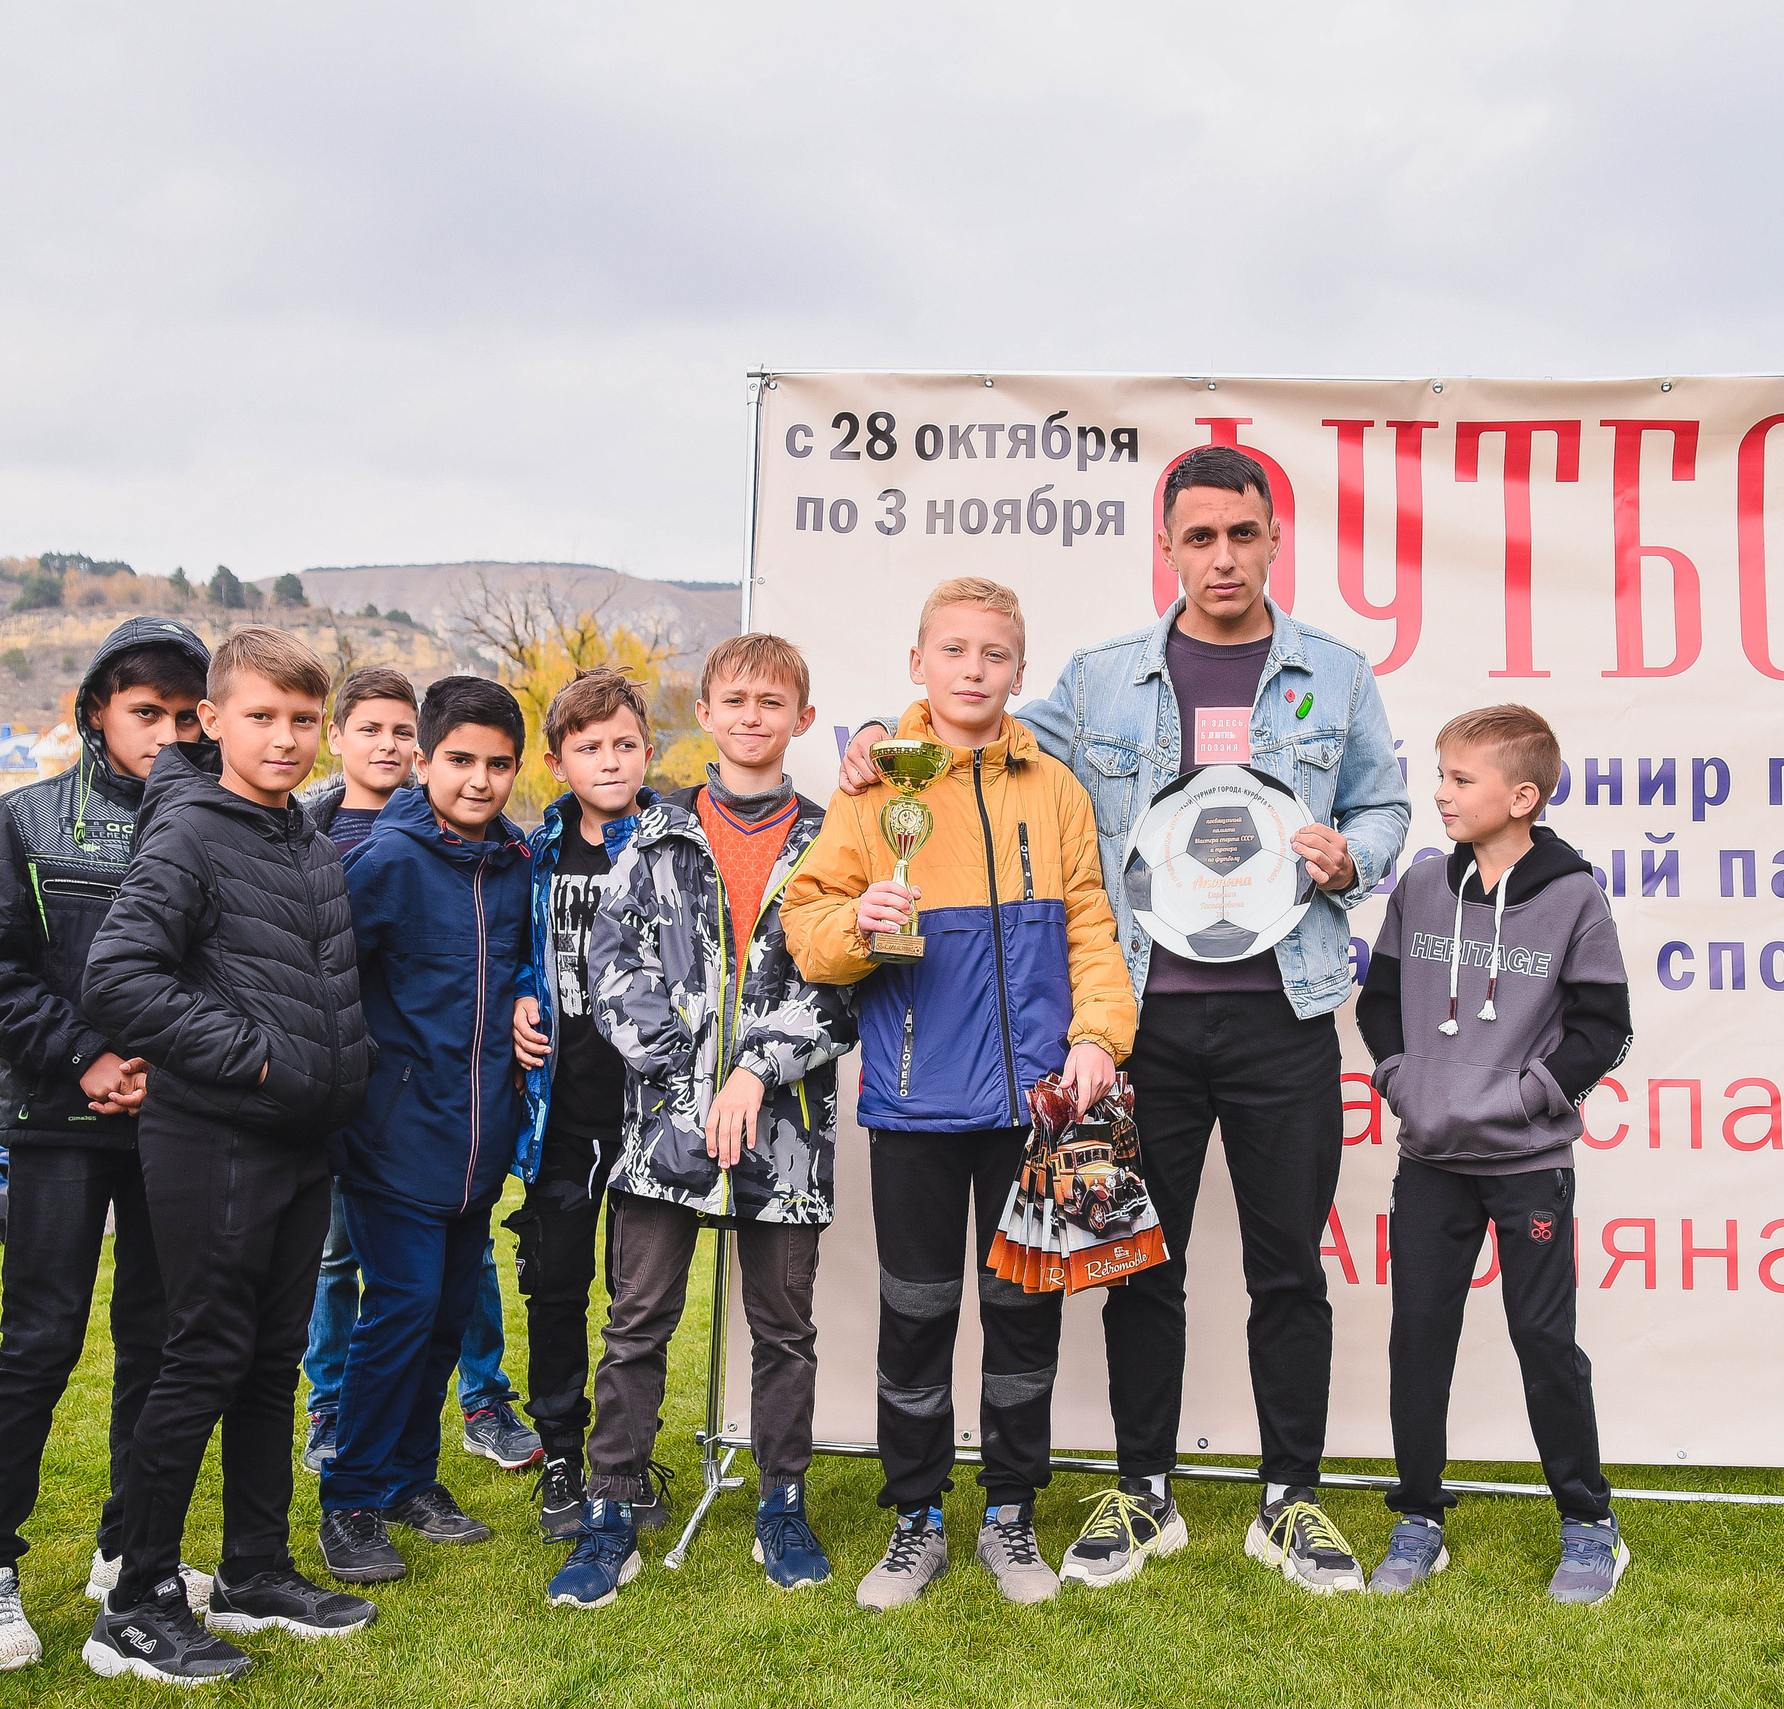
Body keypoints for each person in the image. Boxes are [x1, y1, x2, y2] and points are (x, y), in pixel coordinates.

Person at [837, 447, 1409, 1593]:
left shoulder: (1333, 675)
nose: (1222, 556)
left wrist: (1358, 853)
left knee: (1288, 1264)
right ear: (1167, 546)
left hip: (1284, 1015)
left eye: (1242, 534)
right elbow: (972, 725)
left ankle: (1287, 1496)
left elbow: (1385, 799)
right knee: (1141, 1265)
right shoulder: (1096, 680)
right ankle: (1144, 1489)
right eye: (1198, 537)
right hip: (1136, 1025)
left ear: (1272, 538)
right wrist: (872, 734)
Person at [785, 578, 1135, 1611]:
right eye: (954, 650)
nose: (973, 667)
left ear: (1019, 672)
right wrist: (861, 920)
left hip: (1042, 1108)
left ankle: (1010, 1514)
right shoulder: (876, 783)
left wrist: (1098, 1037)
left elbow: (1090, 927)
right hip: (913, 1101)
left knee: (1025, 1315)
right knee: (916, 1313)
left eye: (993, 653)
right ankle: (915, 1519)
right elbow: (807, 926)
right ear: (918, 664)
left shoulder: (1056, 787)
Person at [79, 624, 378, 1682]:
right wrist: (253, 1060)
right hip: (218, 1130)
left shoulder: (298, 831)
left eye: (304, 719)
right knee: (201, 1354)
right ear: (212, 719)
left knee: (267, 1359)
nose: (287, 738)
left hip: (301, 1138)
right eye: (263, 716)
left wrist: (324, 1068)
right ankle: (138, 1598)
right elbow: (117, 977)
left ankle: (254, 1566)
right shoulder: (193, 830)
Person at [0, 617, 214, 1672]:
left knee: (158, 1344)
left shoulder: (220, 823)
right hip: (57, 1125)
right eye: (147, 712)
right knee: (38, 1342)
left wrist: (170, 1072)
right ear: (96, 710)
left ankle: (127, 1551)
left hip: (178, 1128)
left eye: (188, 715)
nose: (168, 732)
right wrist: (88, 1055)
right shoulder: (25, 818)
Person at [551, 636, 856, 1608]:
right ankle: (609, 1512)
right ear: (708, 713)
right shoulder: (657, 832)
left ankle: (783, 1503)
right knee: (636, 1322)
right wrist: (693, 1075)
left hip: (785, 1132)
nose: (753, 713)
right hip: (666, 1126)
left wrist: (756, 1071)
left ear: (801, 718)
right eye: (734, 698)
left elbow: (843, 983)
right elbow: (613, 967)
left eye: (774, 699)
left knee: (785, 1330)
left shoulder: (833, 837)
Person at [1356, 704, 1631, 1603]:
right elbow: (1379, 1000)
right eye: (1439, 774)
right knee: (1419, 1339)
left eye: (1459, 779)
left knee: (1543, 1340)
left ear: (1522, 796)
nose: (1439, 793)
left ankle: (1589, 1524)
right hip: (1431, 1157)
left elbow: (1603, 1026)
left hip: (1526, 1162)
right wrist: (1404, 1079)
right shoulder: (1423, 887)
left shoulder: (1574, 895)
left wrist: (1526, 1098)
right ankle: (1419, 1517)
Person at [316, 676, 545, 1585]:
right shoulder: (382, 860)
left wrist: (529, 992)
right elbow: (331, 986)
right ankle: (351, 1498)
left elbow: (526, 964)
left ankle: (412, 1479)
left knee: (447, 1314)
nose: (479, 780)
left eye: (497, 764)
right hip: (393, 1135)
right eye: (459, 760)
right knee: (400, 1308)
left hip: (479, 1137)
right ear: (423, 760)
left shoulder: (519, 864)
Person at [515, 666, 655, 1543]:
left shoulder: (675, 841)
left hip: (647, 1109)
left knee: (639, 1298)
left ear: (648, 749)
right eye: (589, 746)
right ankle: (561, 1451)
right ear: (558, 758)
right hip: (559, 1113)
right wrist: (523, 999)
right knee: (557, 1284)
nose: (609, 760)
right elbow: (505, 950)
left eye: (625, 744)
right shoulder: (531, 852)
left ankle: (626, 1454)